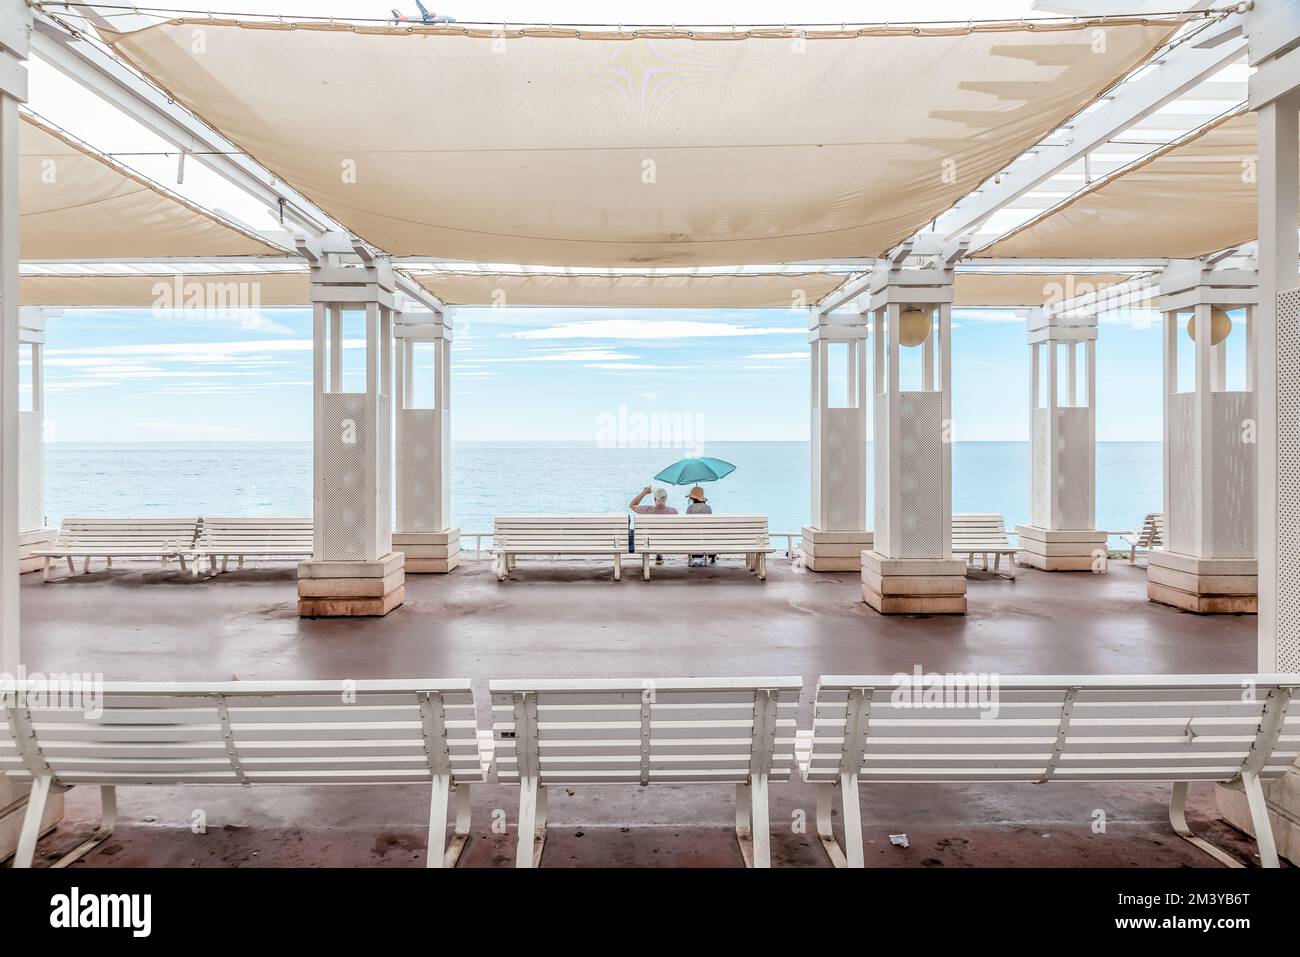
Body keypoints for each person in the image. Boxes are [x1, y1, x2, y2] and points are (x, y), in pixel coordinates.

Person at [629, 486, 677, 564]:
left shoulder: (646, 510)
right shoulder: (673, 511)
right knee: (661, 534)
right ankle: (659, 552)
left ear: (654, 498)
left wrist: (644, 493)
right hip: (668, 542)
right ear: (666, 498)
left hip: (648, 542)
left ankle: (654, 555)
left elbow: (632, 505)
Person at [685, 486, 714, 565]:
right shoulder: (708, 508)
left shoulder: (690, 508)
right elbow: (710, 524)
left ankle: (692, 556)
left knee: (692, 535)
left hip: (692, 538)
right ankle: (710, 556)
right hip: (706, 537)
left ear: (692, 498)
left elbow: (687, 523)